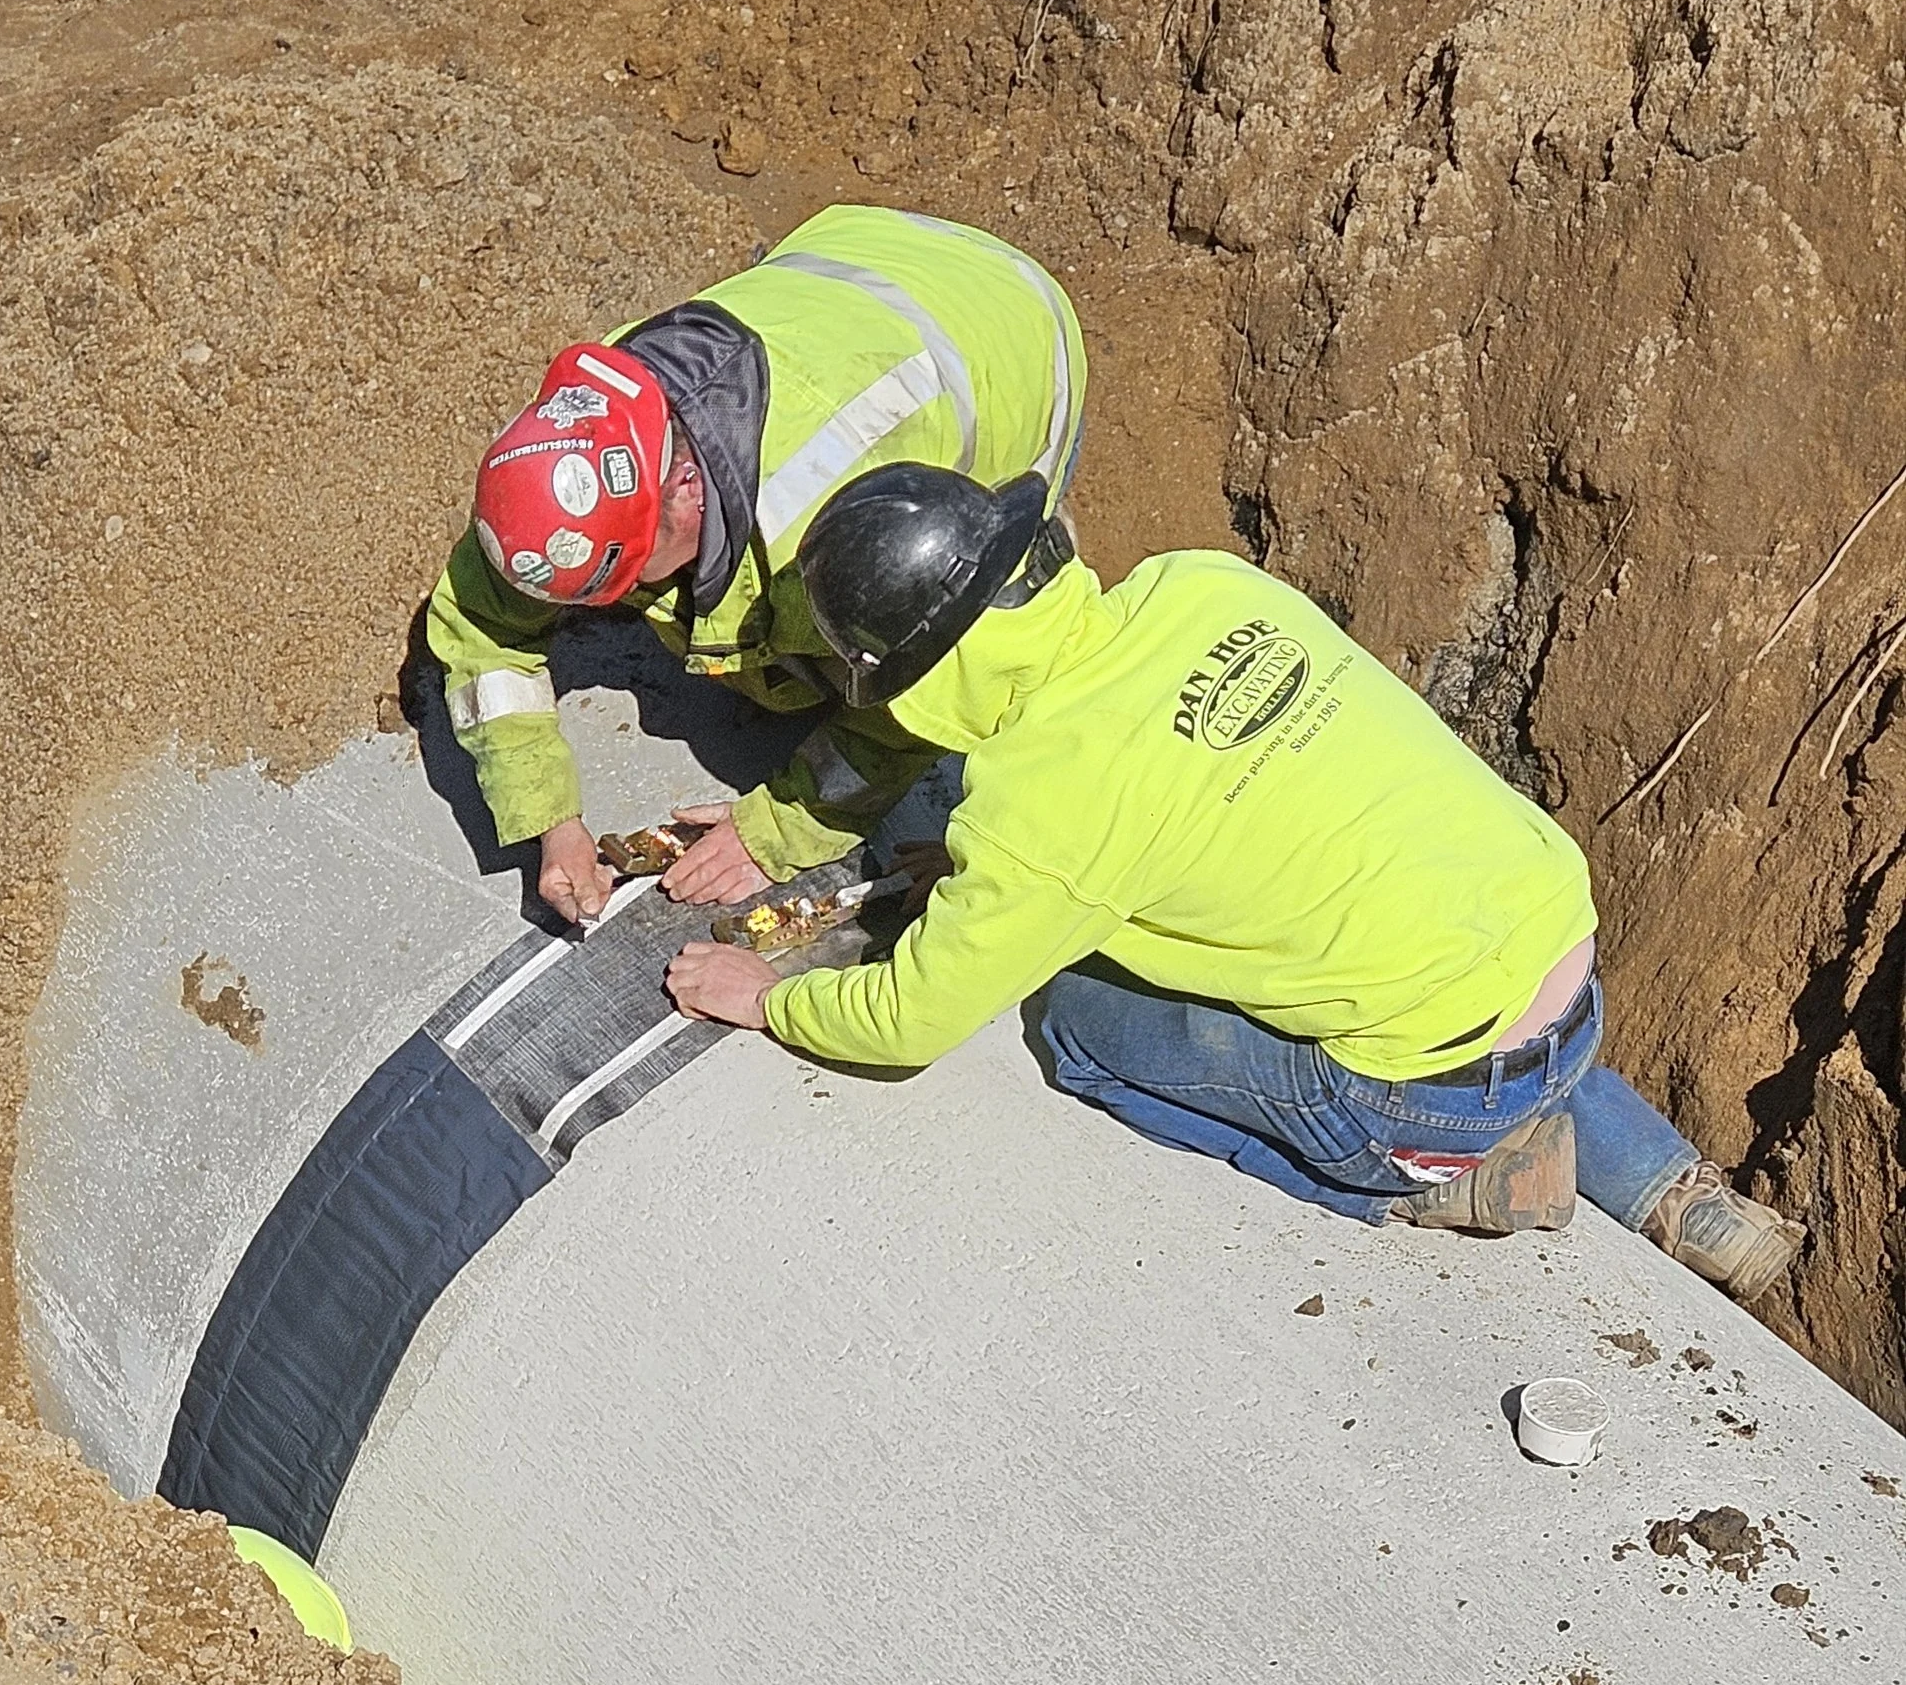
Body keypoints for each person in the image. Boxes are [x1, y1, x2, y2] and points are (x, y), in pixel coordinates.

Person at [662, 464, 1803, 1301]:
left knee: (1072, 1021)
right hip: (1552, 955)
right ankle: (1683, 1200)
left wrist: (763, 996)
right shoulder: (1199, 590)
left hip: (1428, 1095)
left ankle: (1417, 1186)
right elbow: (1209, 806)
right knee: (1429, 967)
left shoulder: (1039, 811)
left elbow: (909, 1022)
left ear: (914, 679)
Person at [426, 207, 1085, 928]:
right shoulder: (594, 421)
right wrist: (549, 815)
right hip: (868, 255)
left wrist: (780, 830)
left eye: (628, 576)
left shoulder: (834, 528)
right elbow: (482, 626)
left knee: (948, 638)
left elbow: (922, 693)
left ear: (682, 493)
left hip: (1014, 344)